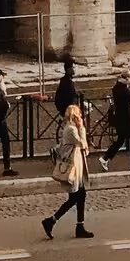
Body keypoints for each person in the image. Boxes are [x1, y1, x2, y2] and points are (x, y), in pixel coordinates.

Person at [42, 101, 92, 241]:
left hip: (78, 167)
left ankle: (79, 226)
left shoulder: (72, 128)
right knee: (75, 197)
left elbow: (85, 149)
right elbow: (82, 143)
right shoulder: (71, 129)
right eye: (79, 114)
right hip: (73, 168)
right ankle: (51, 220)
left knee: (80, 195)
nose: (81, 116)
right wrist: (82, 128)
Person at [100, 70, 130, 172]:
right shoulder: (123, 89)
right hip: (126, 117)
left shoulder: (118, 87)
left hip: (121, 117)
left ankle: (105, 158)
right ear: (127, 79)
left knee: (121, 140)